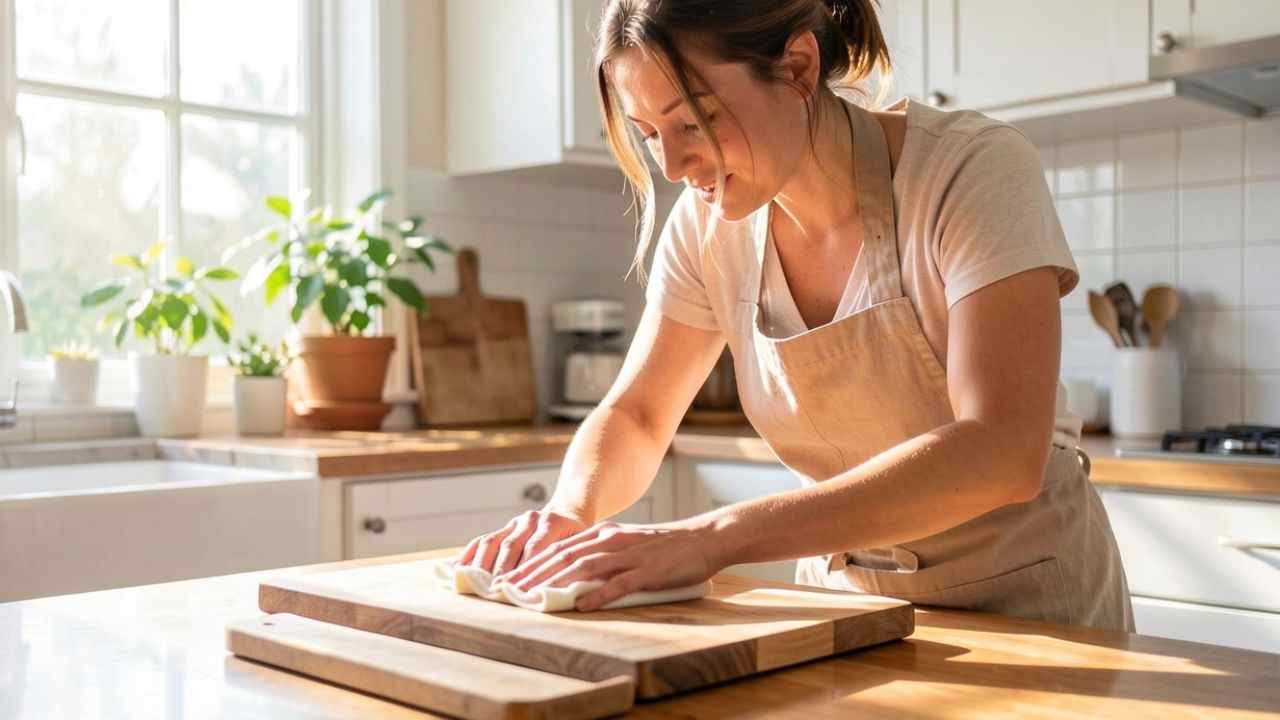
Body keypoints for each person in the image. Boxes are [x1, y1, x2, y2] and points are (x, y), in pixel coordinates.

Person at [457, 0, 1133, 630]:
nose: (672, 165)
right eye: (648, 134)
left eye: (695, 120)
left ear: (799, 68)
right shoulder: (704, 227)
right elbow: (637, 414)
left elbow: (999, 449)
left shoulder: (971, 170)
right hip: (842, 608)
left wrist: (711, 539)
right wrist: (569, 514)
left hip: (1031, 602)